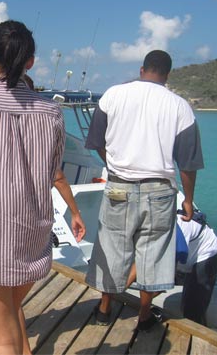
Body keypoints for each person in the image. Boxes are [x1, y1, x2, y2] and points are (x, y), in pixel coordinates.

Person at [0, 20, 84, 355]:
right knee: (11, 312)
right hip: (33, 235)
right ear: (30, 61)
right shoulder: (52, 113)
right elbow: (52, 172)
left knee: (2, 340)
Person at [85, 50, 204, 332]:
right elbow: (187, 165)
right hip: (160, 191)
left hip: (118, 186)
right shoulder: (180, 106)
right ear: (167, 74)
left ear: (142, 70)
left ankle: (103, 310)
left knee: (112, 249)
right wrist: (188, 199)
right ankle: (144, 315)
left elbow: (97, 141)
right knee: (153, 254)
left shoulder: (113, 95)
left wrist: (114, 166)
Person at [175, 210, 217, 325]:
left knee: (193, 309)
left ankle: (198, 334)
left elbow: (164, 279)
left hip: (206, 255)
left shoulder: (178, 230)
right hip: (186, 256)